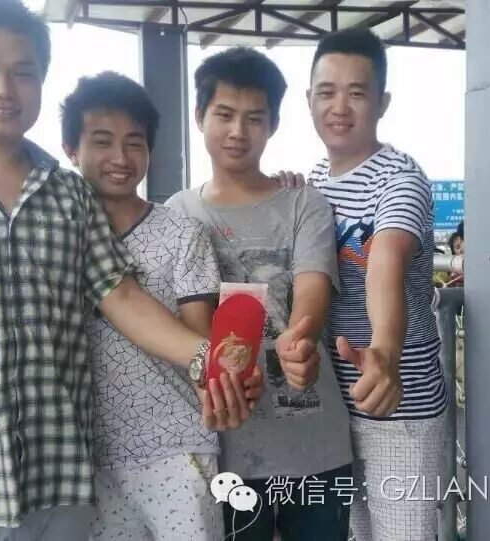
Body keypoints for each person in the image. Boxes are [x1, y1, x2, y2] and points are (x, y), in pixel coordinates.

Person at [0, 2, 257, 538]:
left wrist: (209, 362)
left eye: (23, 72)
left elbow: (121, 296)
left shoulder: (71, 194)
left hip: (60, 482)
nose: (3, 89)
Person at [167, 47, 353, 541]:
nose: (238, 131)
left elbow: (313, 286)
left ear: (273, 124)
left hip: (315, 447)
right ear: (199, 116)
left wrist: (301, 338)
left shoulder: (304, 203)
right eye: (224, 115)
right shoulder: (177, 214)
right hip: (224, 449)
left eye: (254, 118)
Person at [61, 72, 252, 539]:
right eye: (102, 142)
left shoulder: (181, 234)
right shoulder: (56, 237)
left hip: (176, 450)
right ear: (71, 150)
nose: (120, 158)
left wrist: (227, 382)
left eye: (135, 143)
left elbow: (200, 346)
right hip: (85, 457)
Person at [306, 28, 452, 541]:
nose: (339, 107)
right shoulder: (312, 182)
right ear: (308, 99)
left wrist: (385, 351)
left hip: (399, 403)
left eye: (357, 92)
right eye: (326, 92)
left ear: (382, 102)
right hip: (333, 406)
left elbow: (385, 262)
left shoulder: (400, 179)